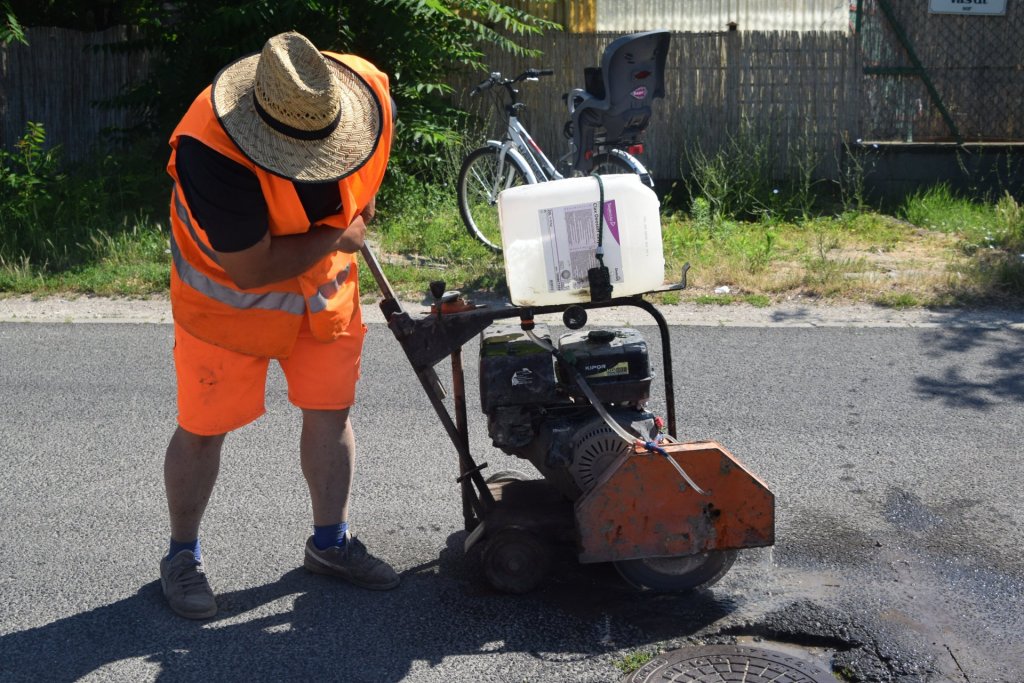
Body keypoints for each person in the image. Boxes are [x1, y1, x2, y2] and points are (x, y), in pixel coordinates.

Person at [160, 31, 398, 620]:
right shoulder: (210, 149)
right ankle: (181, 556)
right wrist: (335, 237)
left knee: (330, 413)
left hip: (324, 294)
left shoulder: (367, 92)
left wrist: (348, 224)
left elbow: (366, 187)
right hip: (226, 309)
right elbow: (251, 268)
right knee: (202, 428)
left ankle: (330, 544)